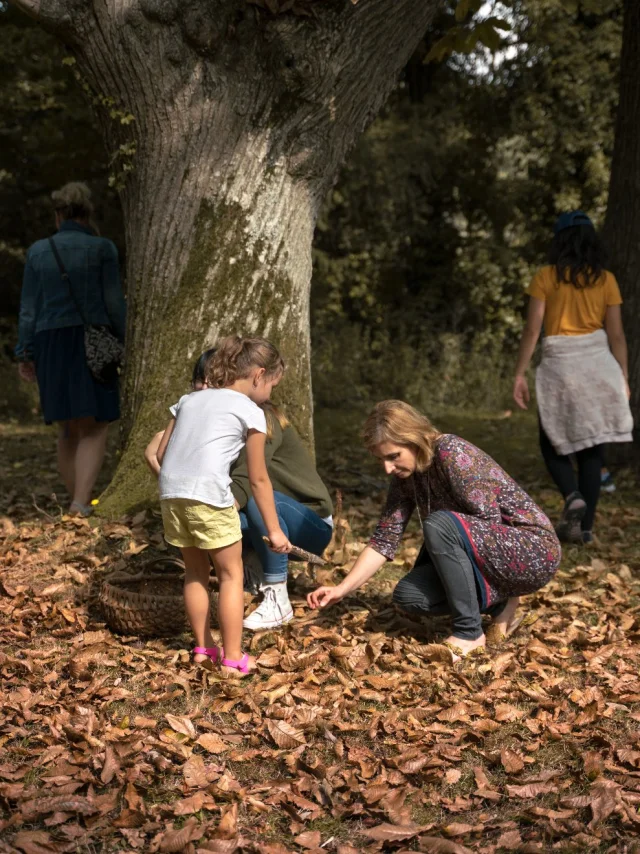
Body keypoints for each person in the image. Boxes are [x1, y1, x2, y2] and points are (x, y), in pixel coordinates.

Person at [308, 401, 561, 659]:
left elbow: (489, 523)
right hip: (485, 553)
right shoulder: (404, 478)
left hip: (533, 551)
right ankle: (499, 605)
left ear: (414, 439)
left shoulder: (452, 452)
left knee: (440, 525)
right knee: (409, 596)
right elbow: (384, 540)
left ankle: (469, 633)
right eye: (381, 459)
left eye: (393, 456)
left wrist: (446, 539)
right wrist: (342, 589)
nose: (387, 468)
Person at [145, 349, 334, 632]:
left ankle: (276, 593)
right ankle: (252, 569)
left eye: (210, 382)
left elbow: (250, 482)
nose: (204, 390)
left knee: (251, 502)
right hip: (260, 515)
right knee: (219, 518)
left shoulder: (259, 418)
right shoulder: (210, 416)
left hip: (308, 521)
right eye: (199, 383)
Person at [156, 336, 292, 676]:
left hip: (172, 494)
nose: (269, 394)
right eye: (272, 385)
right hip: (210, 497)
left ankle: (203, 649)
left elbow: (160, 455)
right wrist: (275, 532)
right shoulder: (251, 411)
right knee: (231, 575)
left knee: (195, 572)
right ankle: (232, 659)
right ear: (259, 375)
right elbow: (259, 480)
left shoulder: (190, 399)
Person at [513, 211, 632, 544]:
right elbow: (617, 334)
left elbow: (533, 328)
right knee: (593, 450)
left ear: (559, 241)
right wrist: (623, 375)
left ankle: (571, 495)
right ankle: (585, 529)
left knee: (551, 441)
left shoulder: (546, 277)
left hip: (561, 364)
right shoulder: (606, 279)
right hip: (598, 363)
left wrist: (519, 372)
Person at [15, 182, 126, 517]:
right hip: (91, 340)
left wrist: (25, 351)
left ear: (58, 214)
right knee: (94, 425)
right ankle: (80, 503)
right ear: (87, 212)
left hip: (50, 342)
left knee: (66, 426)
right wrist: (123, 341)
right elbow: (113, 302)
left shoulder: (38, 251)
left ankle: (75, 501)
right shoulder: (102, 248)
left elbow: (29, 308)